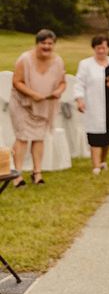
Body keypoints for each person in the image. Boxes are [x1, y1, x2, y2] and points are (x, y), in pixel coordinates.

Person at [9, 29, 66, 186]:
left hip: (44, 105)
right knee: (22, 137)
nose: (47, 46)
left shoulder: (58, 61)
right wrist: (32, 94)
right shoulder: (25, 59)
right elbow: (16, 81)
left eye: (50, 43)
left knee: (39, 137)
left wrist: (58, 92)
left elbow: (62, 82)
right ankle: (17, 176)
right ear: (37, 44)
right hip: (22, 104)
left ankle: (37, 173)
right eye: (43, 43)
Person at [74, 36, 109, 175]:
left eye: (104, 47)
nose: (101, 50)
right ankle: (96, 166)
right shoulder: (86, 64)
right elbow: (79, 83)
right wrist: (79, 99)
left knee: (108, 137)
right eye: (98, 48)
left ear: (108, 48)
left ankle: (103, 161)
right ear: (94, 49)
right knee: (95, 136)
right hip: (95, 105)